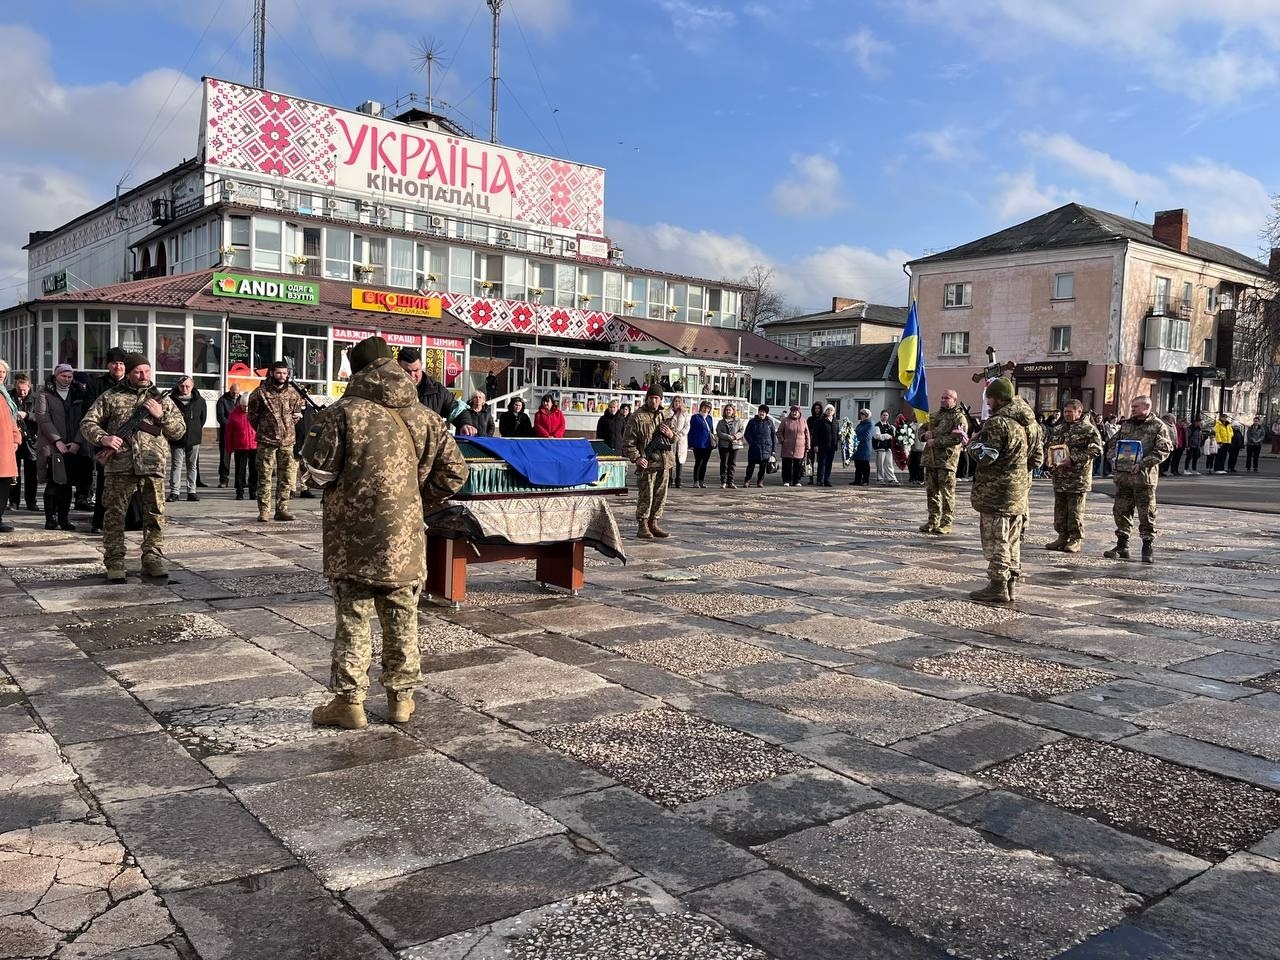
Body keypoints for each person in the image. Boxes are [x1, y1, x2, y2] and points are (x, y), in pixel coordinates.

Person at [303, 337, 469, 730]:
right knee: (402, 617)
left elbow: (318, 472)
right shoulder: (426, 416)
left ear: (357, 370)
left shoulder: (342, 413)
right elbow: (455, 473)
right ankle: (401, 701)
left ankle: (349, 704)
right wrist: (416, 499)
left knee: (353, 619)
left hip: (351, 540)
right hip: (404, 538)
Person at [79, 353, 185, 581]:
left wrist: (161, 416)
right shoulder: (111, 397)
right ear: (128, 373)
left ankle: (152, 558)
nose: (143, 375)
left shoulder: (161, 399)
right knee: (114, 516)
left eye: (146, 370)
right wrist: (104, 438)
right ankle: (115, 561)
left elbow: (179, 431)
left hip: (152, 464)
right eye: (137, 371)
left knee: (155, 515)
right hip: (119, 465)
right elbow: (87, 423)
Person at [967, 378, 1036, 604]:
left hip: (997, 492)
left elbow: (987, 456)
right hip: (1018, 491)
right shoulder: (1027, 423)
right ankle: (1010, 583)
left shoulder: (999, 423)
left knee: (997, 539)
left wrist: (972, 444)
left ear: (998, 399)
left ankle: (997, 585)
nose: (987, 403)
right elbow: (1035, 458)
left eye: (989, 398)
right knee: (1012, 539)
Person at [1103, 395, 1173, 564]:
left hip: (1143, 478)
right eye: (1132, 406)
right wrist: (1113, 459)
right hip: (1124, 478)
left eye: (1135, 407)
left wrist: (1142, 464)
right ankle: (1122, 545)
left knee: (1146, 513)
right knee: (1121, 511)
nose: (1132, 409)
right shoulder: (1127, 425)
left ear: (1146, 407)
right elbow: (1112, 444)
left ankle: (1147, 546)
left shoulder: (1158, 426)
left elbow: (1163, 450)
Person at [34, 364, 90, 532]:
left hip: (72, 445)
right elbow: (43, 418)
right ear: (56, 376)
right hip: (51, 445)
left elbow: (85, 419)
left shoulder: (78, 393)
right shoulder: (44, 394)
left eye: (69, 377)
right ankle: (50, 519)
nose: (67, 379)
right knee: (54, 481)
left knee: (67, 483)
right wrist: (57, 440)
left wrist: (77, 442)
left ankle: (64, 518)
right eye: (63, 376)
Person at [248, 361, 305, 523]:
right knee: (264, 476)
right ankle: (264, 511)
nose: (282, 376)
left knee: (286, 476)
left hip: (287, 441)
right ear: (272, 373)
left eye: (285, 373)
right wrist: (265, 429)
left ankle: (282, 509)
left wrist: (288, 426)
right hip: (267, 441)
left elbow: (296, 415)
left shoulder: (293, 393)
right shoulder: (261, 392)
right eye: (279, 373)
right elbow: (252, 416)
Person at [1043, 399, 1103, 553]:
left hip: (1077, 478)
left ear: (1079, 412)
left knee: (1075, 511)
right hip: (1060, 477)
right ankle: (1062, 537)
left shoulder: (1088, 429)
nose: (1067, 414)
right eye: (1065, 412)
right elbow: (1050, 447)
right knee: (1060, 511)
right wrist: (1048, 459)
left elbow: (1096, 449)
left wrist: (1074, 459)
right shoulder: (1059, 428)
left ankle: (1075, 539)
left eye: (1070, 412)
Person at [622, 384, 676, 538]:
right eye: (651, 398)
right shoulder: (637, 417)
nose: (654, 401)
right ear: (647, 398)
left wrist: (670, 434)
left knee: (660, 495)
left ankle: (654, 522)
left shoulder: (666, 416)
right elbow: (628, 443)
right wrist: (637, 458)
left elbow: (675, 437)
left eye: (656, 398)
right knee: (646, 495)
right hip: (647, 464)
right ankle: (643, 524)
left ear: (661, 399)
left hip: (664, 463)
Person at [85, 347, 128, 534]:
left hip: (128, 443)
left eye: (121, 363)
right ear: (108, 365)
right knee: (105, 483)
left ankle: (129, 520)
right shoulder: (96, 385)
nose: (118, 367)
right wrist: (104, 437)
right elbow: (89, 413)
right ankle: (99, 522)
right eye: (114, 363)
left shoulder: (131, 383)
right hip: (105, 441)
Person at [919, 389, 967, 533]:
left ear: (954, 400)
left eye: (946, 398)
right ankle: (932, 520)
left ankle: (946, 522)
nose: (943, 400)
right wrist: (924, 436)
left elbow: (958, 438)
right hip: (931, 459)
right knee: (931, 492)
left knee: (947, 493)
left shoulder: (959, 418)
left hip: (946, 461)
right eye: (942, 397)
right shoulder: (934, 416)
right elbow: (921, 429)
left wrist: (936, 441)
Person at [166, 376, 206, 503]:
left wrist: (195, 429)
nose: (185, 389)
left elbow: (202, 419)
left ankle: (191, 492)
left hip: (194, 437)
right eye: (182, 386)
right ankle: (174, 492)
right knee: (176, 465)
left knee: (192, 466)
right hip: (176, 438)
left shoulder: (200, 400)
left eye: (187, 386)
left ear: (192, 386)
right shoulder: (171, 400)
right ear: (178, 386)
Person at [397, 347, 456, 421]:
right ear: (398, 368)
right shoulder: (388, 390)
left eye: (416, 370)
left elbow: (456, 410)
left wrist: (465, 424)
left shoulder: (437, 390)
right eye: (407, 371)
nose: (412, 375)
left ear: (421, 366)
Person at [9, 373, 37, 512]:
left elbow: (42, 416)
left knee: (31, 474)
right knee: (14, 473)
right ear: (15, 387)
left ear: (29, 386)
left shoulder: (36, 398)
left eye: (24, 390)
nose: (22, 392)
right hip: (13, 439)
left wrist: (28, 415)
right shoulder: (9, 397)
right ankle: (13, 502)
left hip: (31, 440)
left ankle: (31, 502)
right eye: (19, 390)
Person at [224, 395, 257, 501]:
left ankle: (253, 492)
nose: (246, 408)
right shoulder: (234, 415)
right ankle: (239, 492)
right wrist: (229, 448)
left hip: (254, 446)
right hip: (240, 447)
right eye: (244, 406)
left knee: (254, 470)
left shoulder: (255, 413)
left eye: (248, 406)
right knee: (240, 471)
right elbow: (228, 433)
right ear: (240, 405)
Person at [0, 360, 18, 532]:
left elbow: (12, 420)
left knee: (4, 484)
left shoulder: (4, 395)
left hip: (6, 447)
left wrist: (16, 438)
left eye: (3, 372)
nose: (1, 375)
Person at [776, 404, 810, 488]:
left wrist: (808, 446)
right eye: (793, 411)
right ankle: (786, 480)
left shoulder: (803, 421)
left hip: (800, 447)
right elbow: (779, 432)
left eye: (796, 412)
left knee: (797, 465)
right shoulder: (785, 421)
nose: (794, 413)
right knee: (787, 465)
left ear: (799, 412)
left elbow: (807, 434)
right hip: (787, 447)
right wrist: (782, 441)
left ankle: (796, 481)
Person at [743, 405, 777, 488]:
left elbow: (773, 436)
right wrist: (752, 443)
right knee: (750, 466)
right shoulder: (752, 422)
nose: (762, 413)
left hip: (766, 449)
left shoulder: (769, 422)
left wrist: (773, 450)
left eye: (764, 412)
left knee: (763, 467)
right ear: (758, 412)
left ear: (766, 413)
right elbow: (747, 434)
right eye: (760, 411)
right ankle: (747, 481)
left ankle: (760, 481)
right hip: (754, 448)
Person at [214, 383, 241, 487]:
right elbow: (221, 417)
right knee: (225, 457)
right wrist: (231, 426)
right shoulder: (222, 400)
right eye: (234, 393)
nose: (236, 395)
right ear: (230, 390)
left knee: (240, 458)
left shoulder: (241, 399)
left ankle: (240, 480)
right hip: (226, 432)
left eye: (237, 393)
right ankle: (223, 479)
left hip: (239, 433)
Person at [715, 402, 745, 489]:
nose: (728, 411)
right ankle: (723, 482)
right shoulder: (721, 422)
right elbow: (719, 432)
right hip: (723, 445)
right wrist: (728, 437)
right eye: (727, 410)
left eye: (730, 410)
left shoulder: (738, 421)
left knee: (732, 464)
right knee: (724, 463)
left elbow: (741, 431)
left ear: (733, 411)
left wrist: (735, 437)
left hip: (734, 445)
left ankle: (730, 482)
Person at [687, 400, 715, 488]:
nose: (706, 409)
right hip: (698, 444)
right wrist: (690, 443)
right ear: (701, 407)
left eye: (708, 408)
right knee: (698, 462)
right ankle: (696, 481)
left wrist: (713, 441)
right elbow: (691, 431)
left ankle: (701, 481)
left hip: (708, 444)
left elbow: (712, 430)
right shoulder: (695, 417)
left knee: (704, 463)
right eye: (704, 407)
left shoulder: (709, 418)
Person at [668, 396, 690, 488]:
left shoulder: (685, 414)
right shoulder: (669, 413)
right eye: (675, 401)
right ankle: (669, 480)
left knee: (679, 460)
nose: (677, 403)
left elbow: (687, 426)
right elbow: (667, 424)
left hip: (681, 439)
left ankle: (678, 480)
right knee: (670, 460)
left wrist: (680, 435)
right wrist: (672, 434)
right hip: (671, 438)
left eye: (679, 401)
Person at [872, 409, 898, 484]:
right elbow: (877, 436)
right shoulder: (877, 426)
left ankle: (891, 478)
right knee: (880, 464)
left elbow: (893, 436)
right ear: (881, 416)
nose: (885, 417)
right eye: (883, 415)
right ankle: (880, 478)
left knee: (889, 463)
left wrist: (893, 432)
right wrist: (887, 436)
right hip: (880, 447)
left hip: (888, 447)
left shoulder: (890, 426)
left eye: (886, 415)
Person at [851, 409, 874, 485]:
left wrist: (856, 439)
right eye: (860, 414)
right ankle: (857, 480)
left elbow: (867, 436)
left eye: (863, 414)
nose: (861, 416)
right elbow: (855, 432)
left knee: (864, 464)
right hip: (858, 447)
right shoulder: (860, 424)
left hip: (865, 448)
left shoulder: (870, 424)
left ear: (867, 416)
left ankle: (865, 480)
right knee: (858, 464)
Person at [805, 401, 825, 486]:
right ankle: (810, 478)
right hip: (811, 442)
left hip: (820, 443)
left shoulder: (823, 419)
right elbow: (806, 431)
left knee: (820, 461)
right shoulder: (810, 419)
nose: (817, 410)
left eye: (818, 408)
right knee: (810, 461)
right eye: (815, 408)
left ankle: (820, 479)